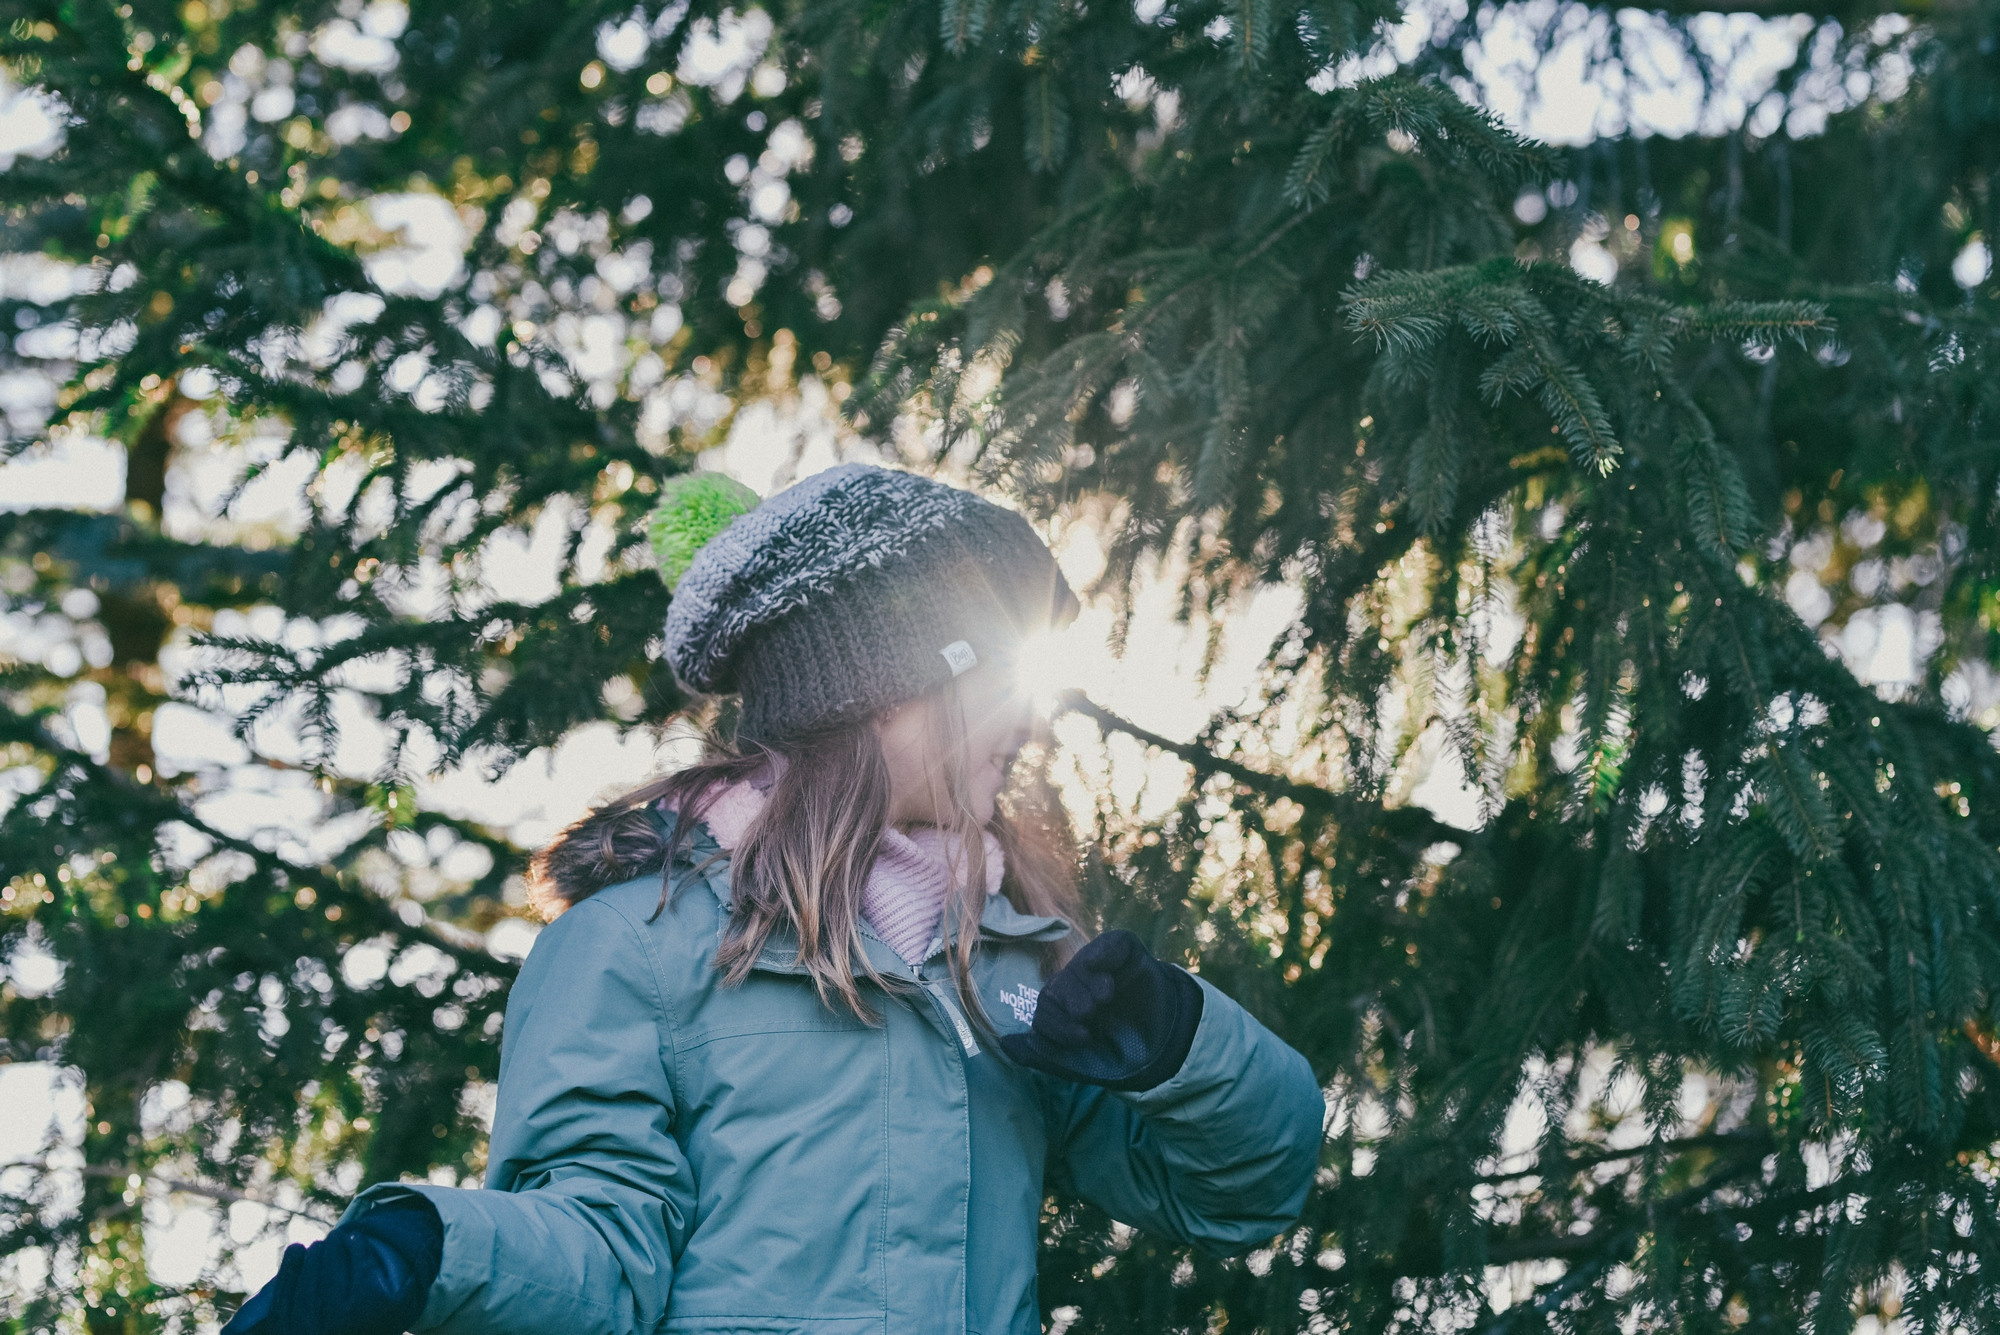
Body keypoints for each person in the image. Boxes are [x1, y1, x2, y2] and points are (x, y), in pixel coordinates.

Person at [223, 464, 1325, 1335]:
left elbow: (1240, 1194)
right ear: (888, 694)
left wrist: (1182, 1046)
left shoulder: (1006, 964)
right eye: (995, 682)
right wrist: (424, 1251)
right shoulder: (636, 947)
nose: (1027, 723)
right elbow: (605, 1253)